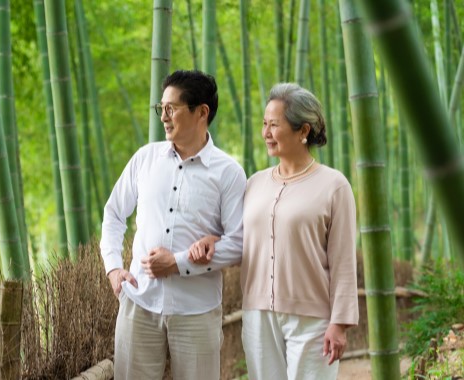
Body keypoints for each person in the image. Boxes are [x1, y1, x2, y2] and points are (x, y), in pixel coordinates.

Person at [191, 82, 358, 379]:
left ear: (303, 131)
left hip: (312, 319)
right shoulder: (255, 183)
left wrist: (340, 323)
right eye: (264, 124)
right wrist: (213, 239)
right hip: (257, 314)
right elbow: (245, 240)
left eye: (274, 125)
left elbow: (343, 262)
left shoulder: (334, 186)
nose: (265, 133)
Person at [99, 69, 246, 379]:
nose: (163, 116)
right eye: (160, 108)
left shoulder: (228, 172)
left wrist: (178, 264)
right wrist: (113, 267)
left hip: (197, 310)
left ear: (201, 112)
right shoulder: (144, 159)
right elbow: (113, 214)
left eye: (171, 108)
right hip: (139, 301)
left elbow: (238, 244)